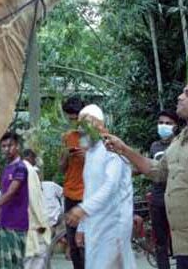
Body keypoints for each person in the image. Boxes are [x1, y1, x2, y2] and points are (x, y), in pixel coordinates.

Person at [105, 80, 188, 269]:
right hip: (185, 246)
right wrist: (124, 149)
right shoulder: (179, 142)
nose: (180, 97)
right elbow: (157, 171)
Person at [66, 104, 135, 268]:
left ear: (101, 125)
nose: (83, 128)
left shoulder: (112, 148)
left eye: (87, 122)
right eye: (81, 124)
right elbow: (89, 192)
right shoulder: (91, 152)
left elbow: (110, 187)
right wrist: (82, 227)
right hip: (95, 225)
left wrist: (83, 209)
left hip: (114, 224)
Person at [0, 131, 29, 268]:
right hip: (4, 221)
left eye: (10, 145)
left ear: (17, 146)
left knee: (15, 264)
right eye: (3, 146)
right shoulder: (8, 168)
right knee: (2, 263)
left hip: (17, 223)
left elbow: (10, 193)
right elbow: (5, 196)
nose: (6, 149)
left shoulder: (21, 167)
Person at [149, 109, 180, 269]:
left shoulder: (181, 144)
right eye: (161, 123)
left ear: (176, 126)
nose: (163, 126)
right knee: (160, 243)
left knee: (181, 241)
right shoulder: (154, 146)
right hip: (158, 200)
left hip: (178, 200)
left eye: (168, 123)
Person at [60, 96, 85, 269]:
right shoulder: (67, 137)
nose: (73, 122)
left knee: (89, 240)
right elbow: (62, 168)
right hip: (70, 193)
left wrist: (87, 156)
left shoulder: (97, 135)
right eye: (70, 119)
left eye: (76, 118)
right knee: (73, 241)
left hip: (89, 195)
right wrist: (66, 156)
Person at [22, 149, 51, 269]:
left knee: (28, 256)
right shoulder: (30, 171)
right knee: (36, 256)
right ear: (30, 157)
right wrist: (42, 223)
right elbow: (33, 199)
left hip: (21, 220)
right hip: (33, 222)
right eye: (34, 158)